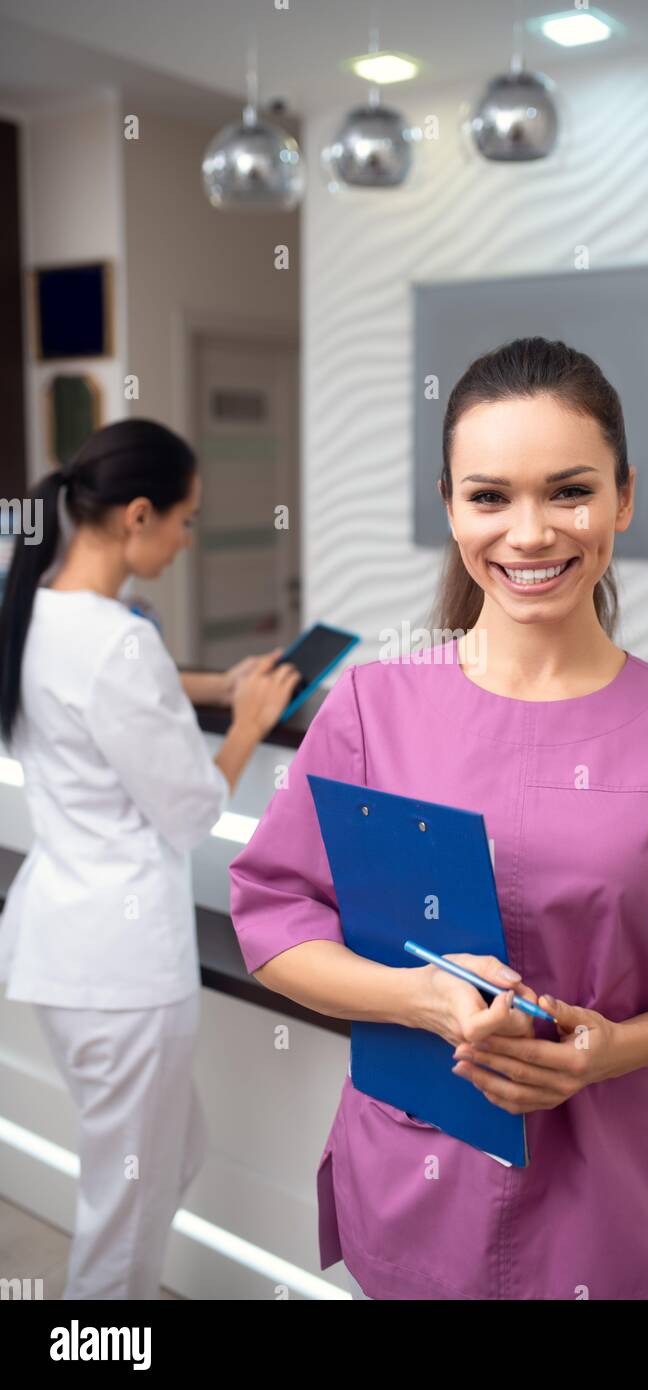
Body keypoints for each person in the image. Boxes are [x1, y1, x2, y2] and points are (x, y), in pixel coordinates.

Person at [228, 338, 648, 1301]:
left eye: (569, 491)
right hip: (413, 1173)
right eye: (490, 496)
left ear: (623, 497)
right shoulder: (370, 708)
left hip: (603, 1190)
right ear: (450, 505)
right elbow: (275, 921)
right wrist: (420, 999)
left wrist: (611, 1048)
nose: (529, 534)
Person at [0, 418, 299, 1299]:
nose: (186, 536)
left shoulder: (39, 611)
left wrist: (211, 684)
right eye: (186, 519)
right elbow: (193, 809)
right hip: (122, 973)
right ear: (138, 517)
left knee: (166, 1160)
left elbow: (108, 694)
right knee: (122, 1222)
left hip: (65, 951)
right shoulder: (117, 641)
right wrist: (246, 725)